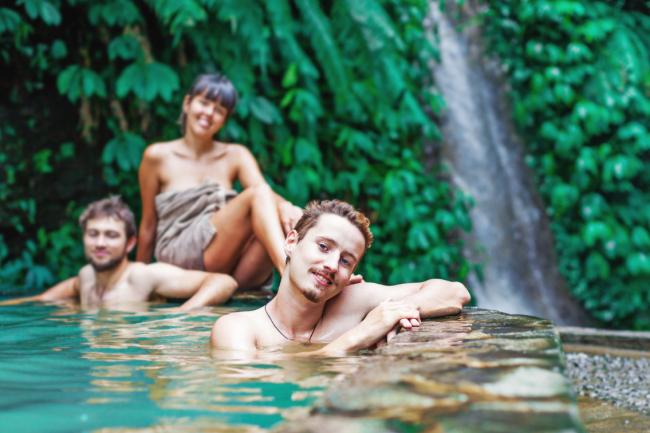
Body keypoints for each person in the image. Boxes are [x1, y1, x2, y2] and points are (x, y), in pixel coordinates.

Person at [210, 200, 472, 353]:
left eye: (346, 260)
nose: (332, 265)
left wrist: (395, 311)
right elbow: (243, 386)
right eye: (323, 247)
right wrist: (360, 335)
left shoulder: (352, 304)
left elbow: (455, 291)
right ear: (291, 242)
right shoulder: (238, 328)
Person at [136, 74, 304, 290]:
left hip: (225, 260)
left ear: (225, 119)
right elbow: (148, 224)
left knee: (281, 218)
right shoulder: (157, 156)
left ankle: (310, 276)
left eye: (219, 110)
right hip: (179, 255)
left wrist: (287, 208)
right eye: (204, 103)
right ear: (187, 103)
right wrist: (136, 279)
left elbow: (267, 199)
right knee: (259, 194)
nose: (209, 113)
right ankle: (292, 276)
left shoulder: (235, 155)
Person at [0, 197, 238, 309]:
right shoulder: (86, 278)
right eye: (93, 234)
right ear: (84, 238)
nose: (100, 243)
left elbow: (223, 282)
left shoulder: (142, 276)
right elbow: (49, 297)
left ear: (129, 243)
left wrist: (182, 316)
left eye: (111, 235)